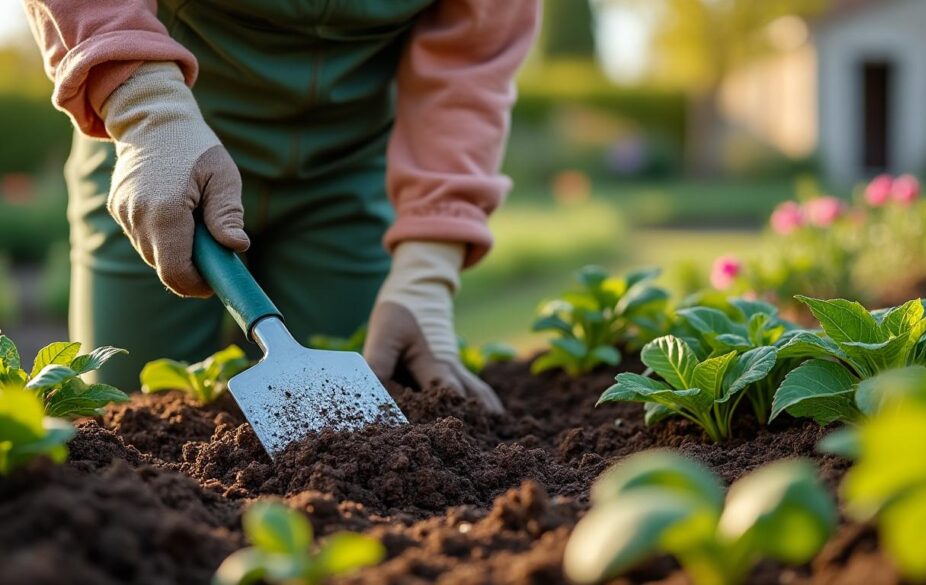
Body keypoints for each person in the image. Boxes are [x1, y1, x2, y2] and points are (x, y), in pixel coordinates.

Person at [23, 0, 539, 413]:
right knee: (127, 421)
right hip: (164, 151)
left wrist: (428, 269)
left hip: (348, 173)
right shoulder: (152, 124)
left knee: (363, 437)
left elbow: (474, 52)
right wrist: (144, 108)